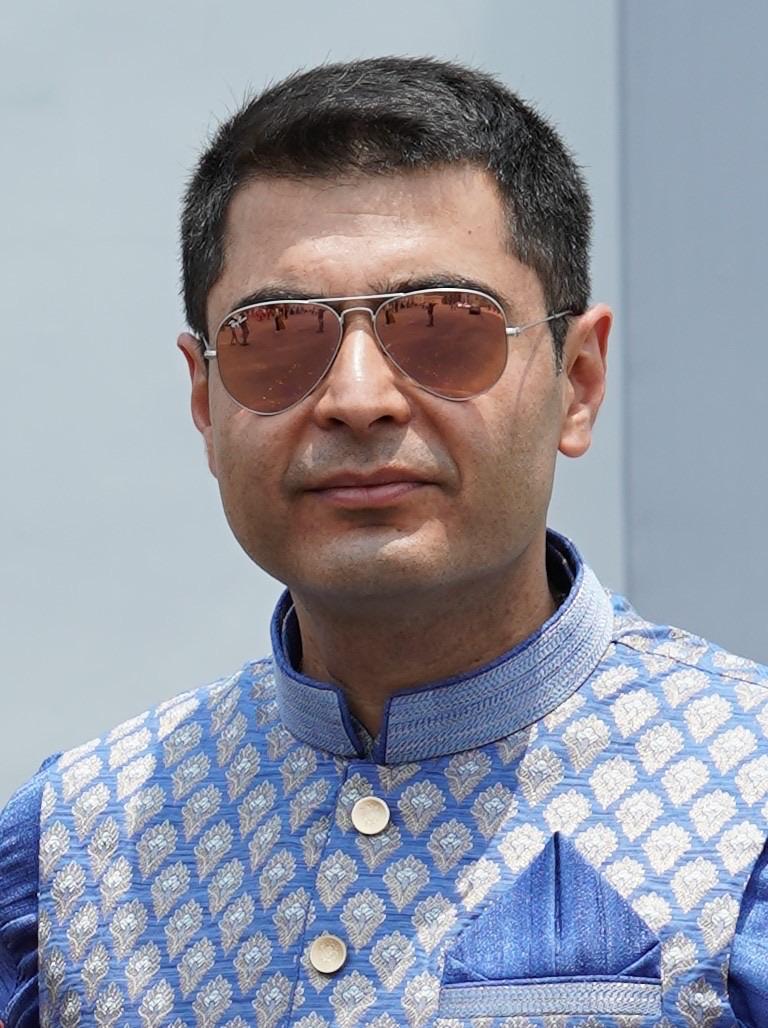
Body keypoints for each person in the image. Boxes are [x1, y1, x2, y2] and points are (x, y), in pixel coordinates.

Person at [1, 56, 766, 1028]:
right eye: (278, 337)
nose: (358, 399)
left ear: (577, 380)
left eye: (444, 327)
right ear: (204, 398)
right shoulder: (76, 851)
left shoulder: (745, 802)